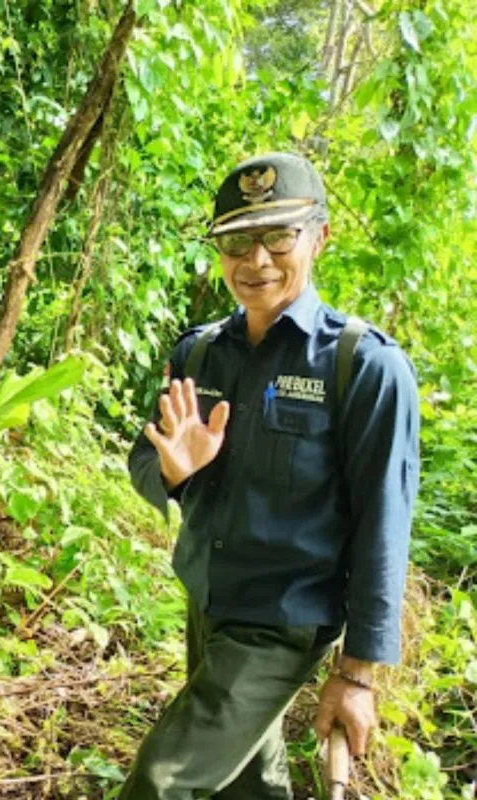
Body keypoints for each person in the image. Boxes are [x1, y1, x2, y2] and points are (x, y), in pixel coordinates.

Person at [120, 152, 419, 799]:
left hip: (283, 621)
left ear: (319, 235)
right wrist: (173, 471)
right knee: (246, 784)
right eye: (236, 241)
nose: (255, 261)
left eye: (278, 235)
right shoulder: (198, 352)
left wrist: (359, 672)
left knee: (162, 780)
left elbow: (384, 528)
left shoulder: (362, 366)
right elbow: (143, 463)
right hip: (208, 600)